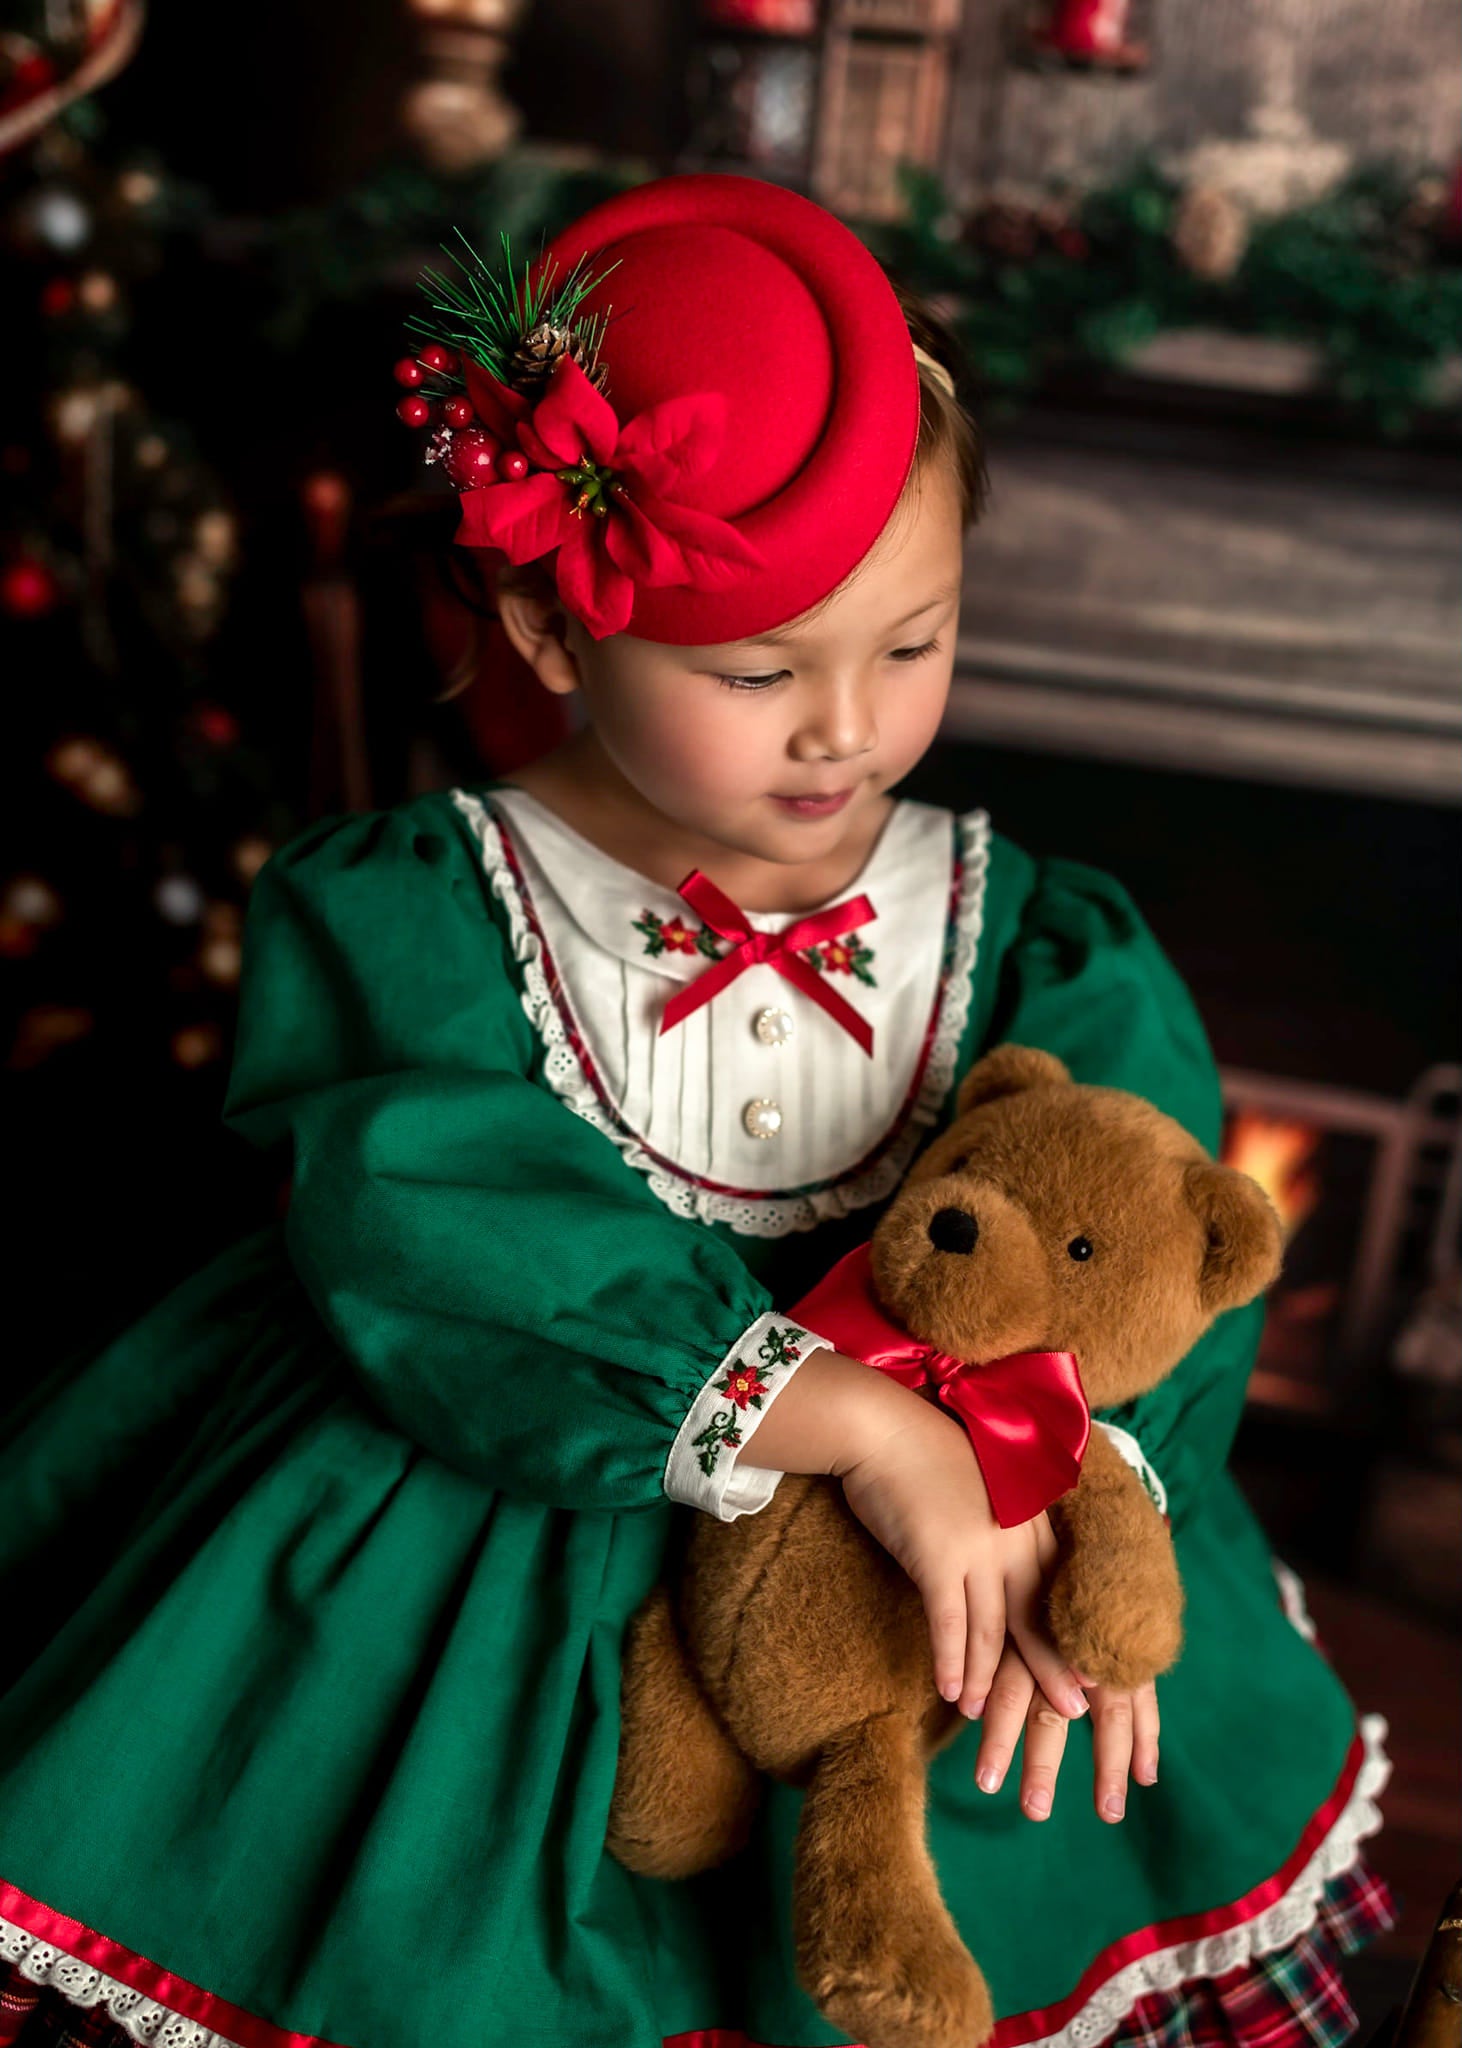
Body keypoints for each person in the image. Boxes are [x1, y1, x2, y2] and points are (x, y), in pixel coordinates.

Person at [0, 174, 1394, 2048]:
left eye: (912, 644)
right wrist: (846, 1426)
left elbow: (1147, 1255)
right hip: (469, 1565)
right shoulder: (415, 910)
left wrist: (1054, 1487)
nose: (847, 729)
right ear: (554, 632)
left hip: (940, 1605)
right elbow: (434, 1222)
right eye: (756, 674)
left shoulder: (1039, 942)